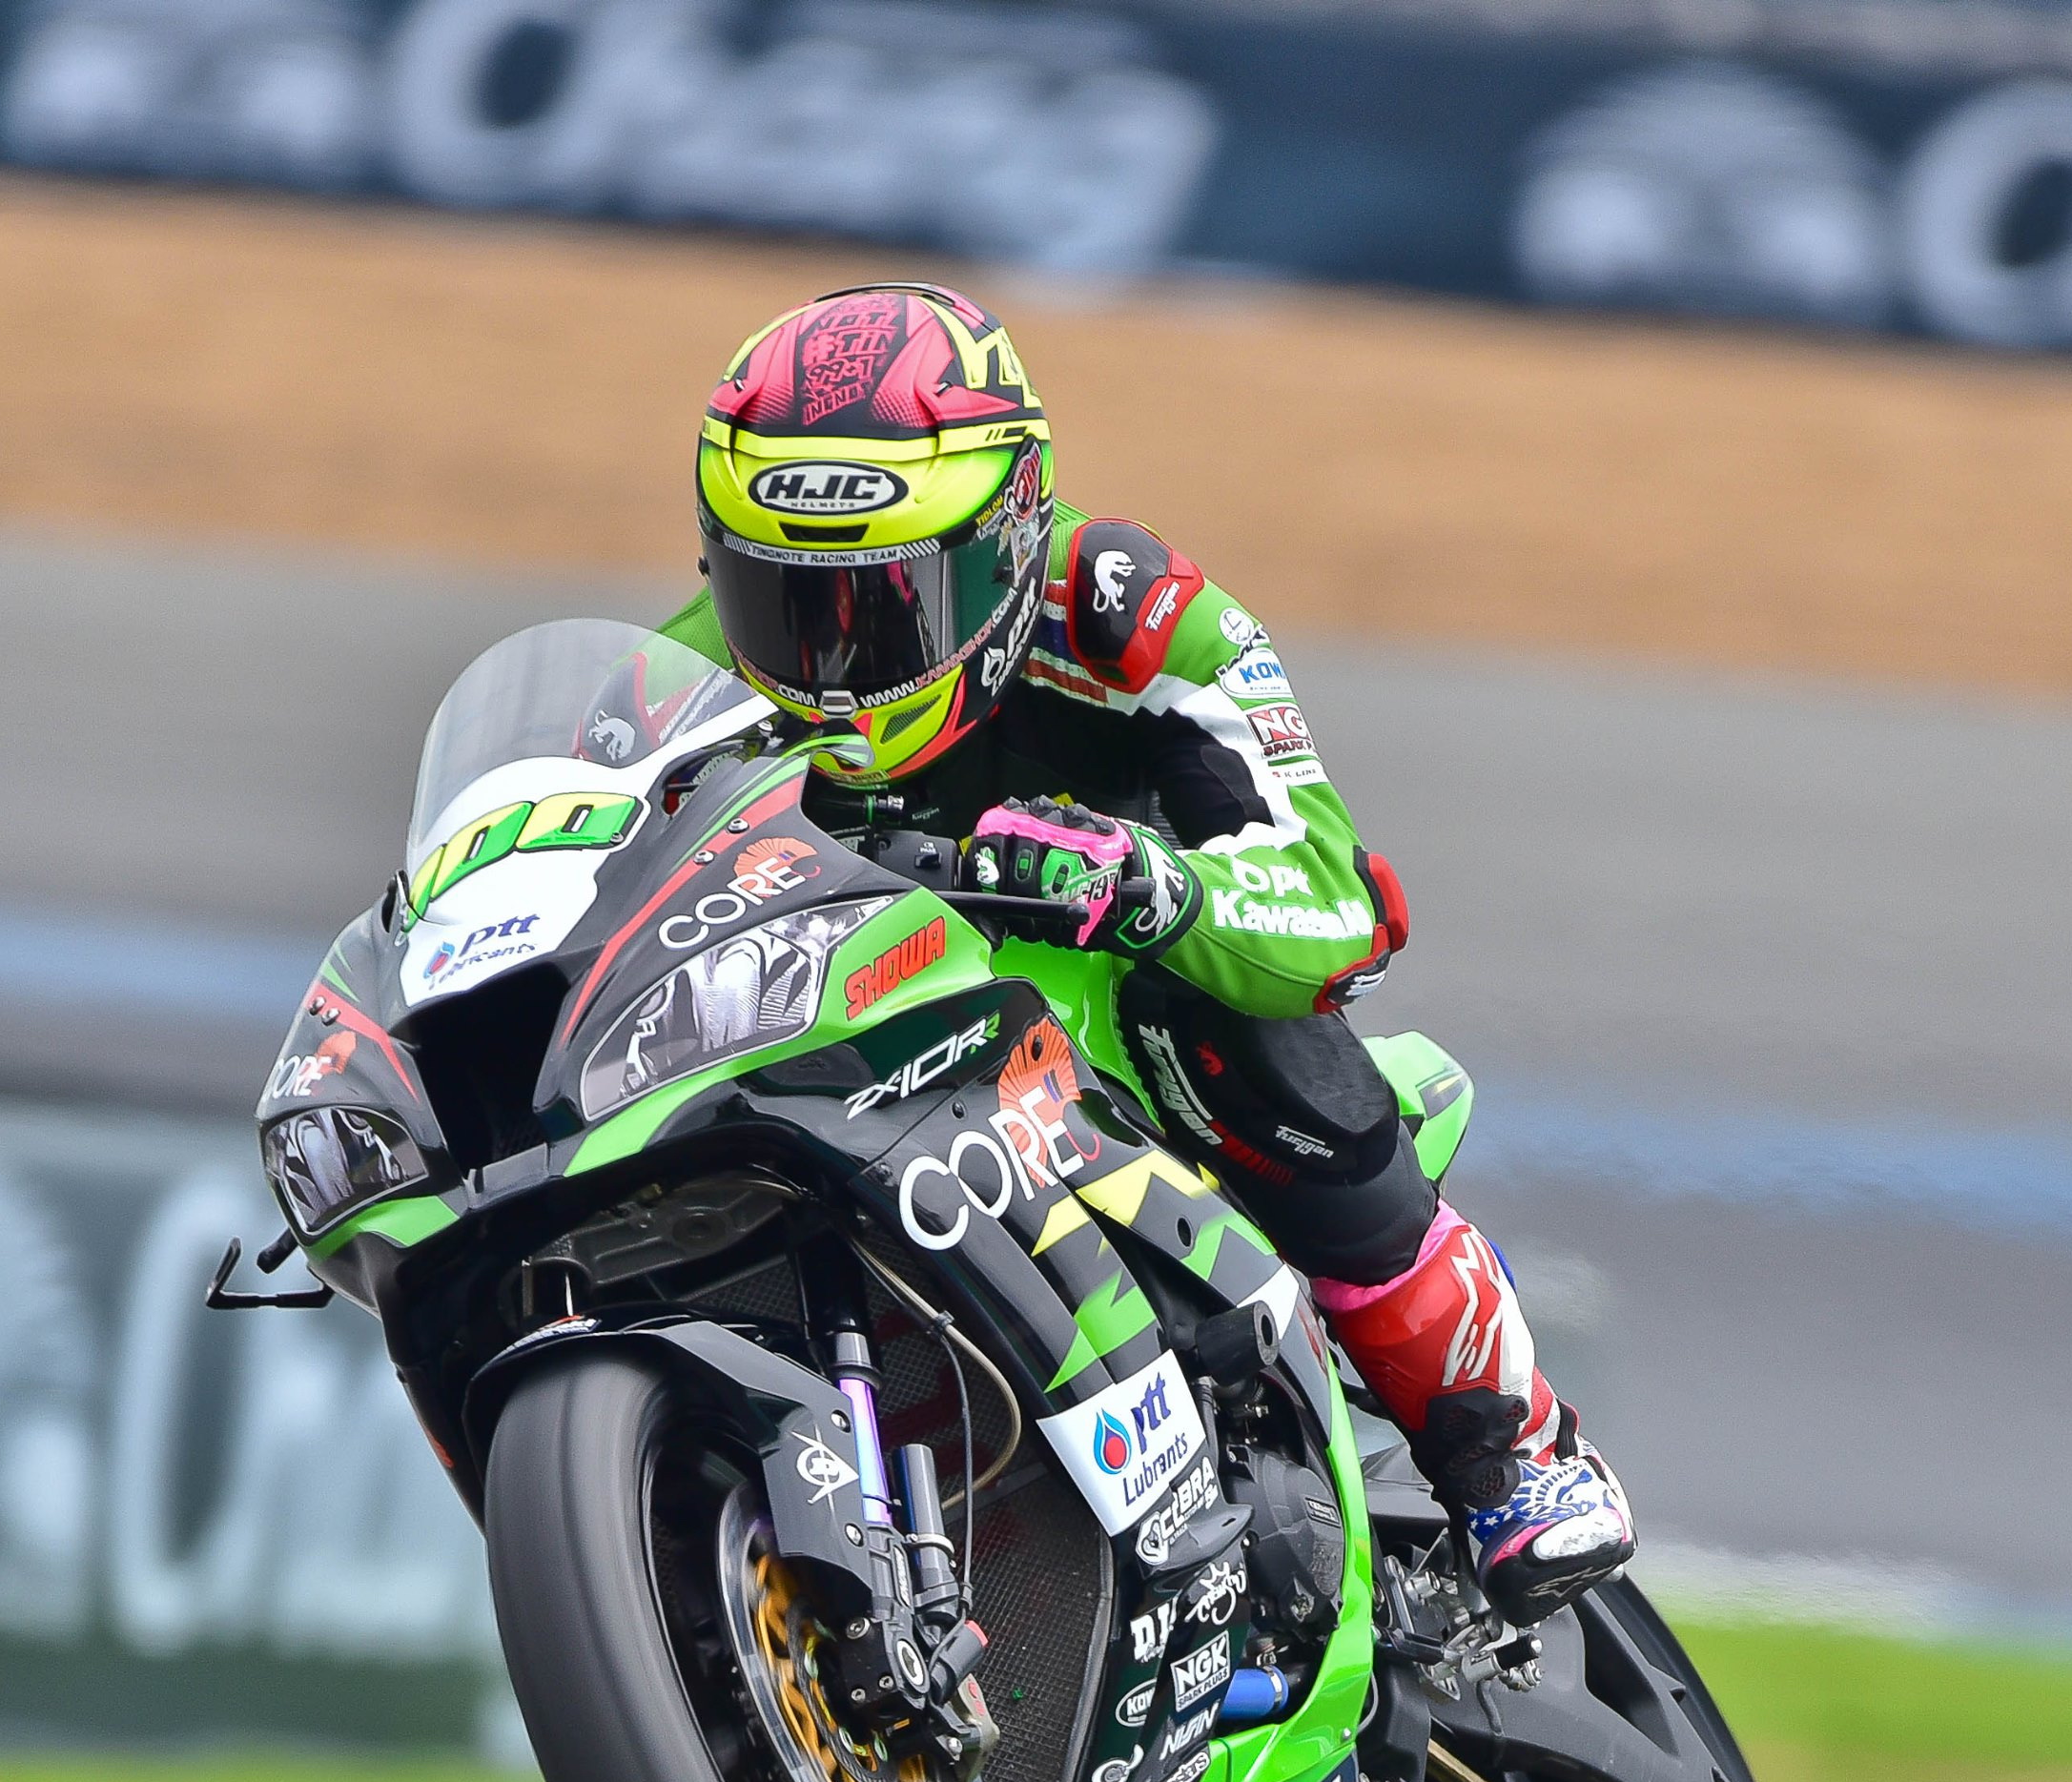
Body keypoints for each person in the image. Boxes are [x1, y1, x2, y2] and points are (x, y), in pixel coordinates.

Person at [658, 281, 1634, 1626]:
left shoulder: (1131, 620)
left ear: (1009, 542)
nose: (831, 664)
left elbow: (1339, 901)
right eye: (783, 603)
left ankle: (1511, 1450)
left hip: (1109, 1023)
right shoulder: (687, 679)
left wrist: (1153, 886)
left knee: (1240, 1035)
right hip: (859, 1042)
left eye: (887, 607)